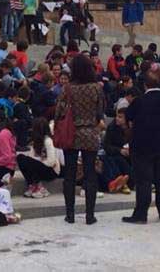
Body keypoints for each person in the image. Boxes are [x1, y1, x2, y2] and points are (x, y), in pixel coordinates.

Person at [123, 67, 160, 224]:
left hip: (143, 146)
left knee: (144, 181)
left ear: (145, 85)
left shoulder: (140, 101)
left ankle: (141, 214)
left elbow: (128, 117)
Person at [59, 54, 104, 225]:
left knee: (69, 175)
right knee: (90, 174)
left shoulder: (68, 88)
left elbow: (60, 111)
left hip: (71, 132)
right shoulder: (96, 88)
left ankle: (70, 214)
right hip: (90, 133)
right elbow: (100, 112)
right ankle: (89, 215)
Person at [17, 117, 61, 198]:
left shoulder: (48, 141)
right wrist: (36, 160)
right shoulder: (36, 142)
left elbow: (51, 161)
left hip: (51, 171)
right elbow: (31, 156)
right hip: (41, 166)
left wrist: (38, 161)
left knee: (31, 162)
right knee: (20, 158)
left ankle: (41, 188)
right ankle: (32, 184)